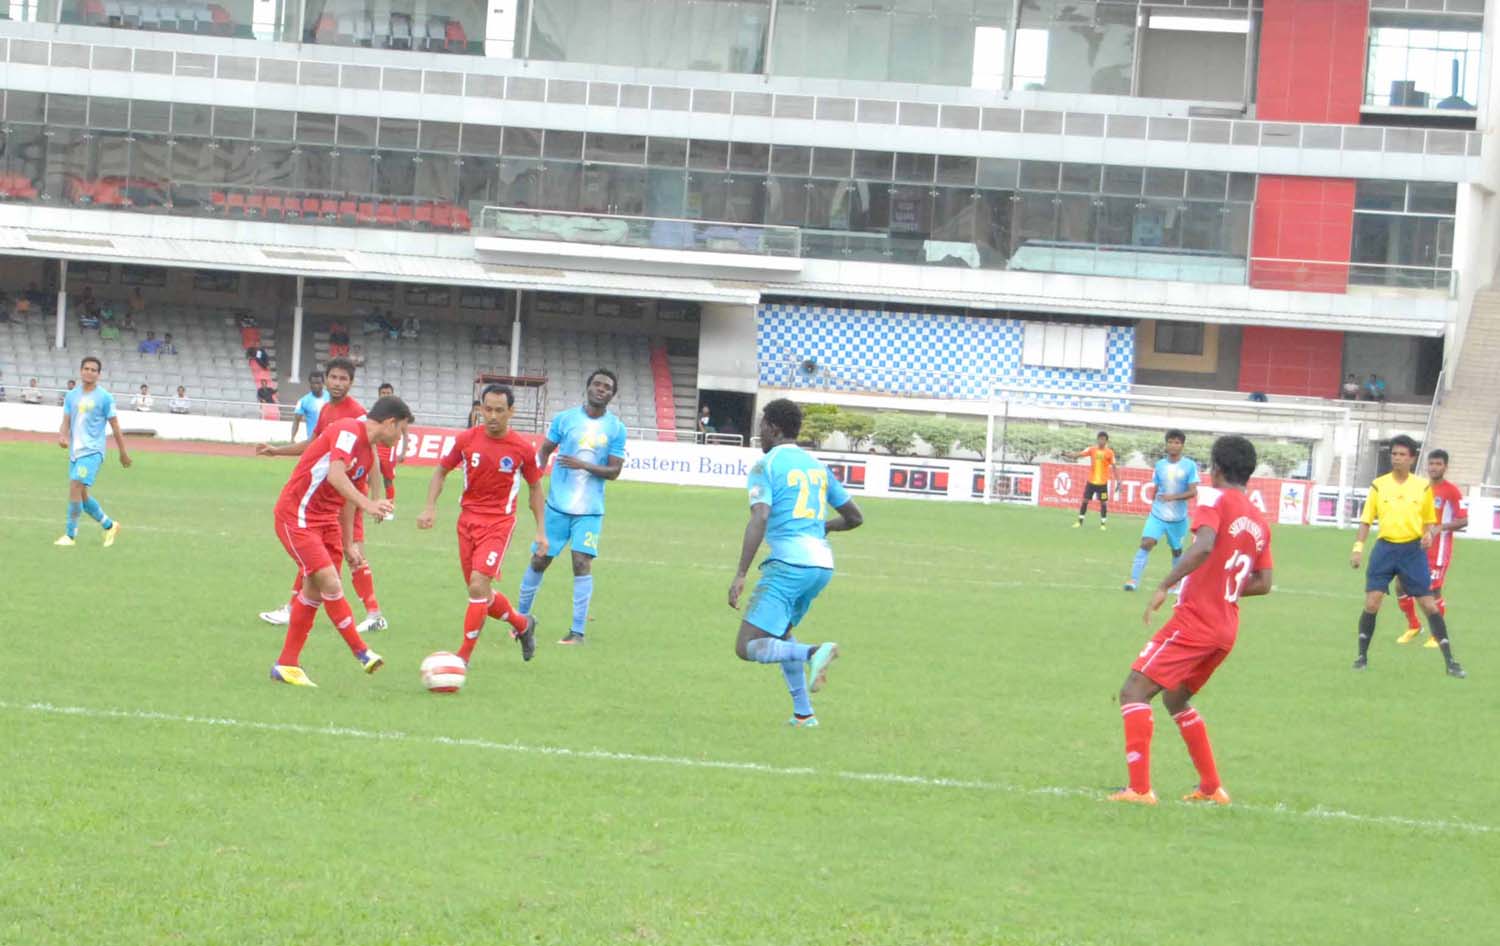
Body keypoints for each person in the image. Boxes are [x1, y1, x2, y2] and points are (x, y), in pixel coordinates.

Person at [1110, 436, 1272, 806]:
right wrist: (1223, 588)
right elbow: (1264, 583)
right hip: (1225, 628)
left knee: (1134, 691)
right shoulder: (1259, 521)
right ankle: (1212, 787)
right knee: (1176, 698)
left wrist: (1165, 584)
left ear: (1216, 468)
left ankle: (1139, 790)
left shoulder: (1214, 498)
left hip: (1196, 621)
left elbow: (1204, 545)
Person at [729, 399, 862, 726]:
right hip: (821, 566)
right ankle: (804, 714)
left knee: (746, 646)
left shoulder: (767, 465)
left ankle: (812, 653)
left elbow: (760, 516)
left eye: (762, 425)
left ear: (774, 428)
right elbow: (854, 517)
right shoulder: (816, 466)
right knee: (782, 632)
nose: (759, 432)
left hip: (789, 565)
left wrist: (741, 573)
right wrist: (824, 527)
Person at [265, 396, 413, 687]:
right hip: (298, 515)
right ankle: (362, 652)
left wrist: (348, 544)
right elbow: (335, 475)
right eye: (402, 430)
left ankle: (287, 664)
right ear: (390, 423)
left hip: (327, 522)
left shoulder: (368, 454)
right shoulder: (348, 430)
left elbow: (346, 500)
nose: (401, 438)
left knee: (314, 591)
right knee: (330, 583)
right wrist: (370, 504)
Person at [417, 384, 545, 666]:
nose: (493, 416)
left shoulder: (522, 449)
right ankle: (523, 624)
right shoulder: (467, 440)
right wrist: (430, 506)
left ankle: (462, 658)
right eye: (488, 409)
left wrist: (540, 531)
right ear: (480, 409)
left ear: (511, 411)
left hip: (499, 523)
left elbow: (535, 488)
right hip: (467, 522)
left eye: (500, 410)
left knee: (477, 585)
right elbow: (441, 471)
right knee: (481, 594)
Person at [257, 357, 387, 633]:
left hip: (348, 494)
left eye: (344, 379)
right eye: (334, 377)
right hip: (325, 496)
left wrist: (375, 497)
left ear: (351, 383)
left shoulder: (358, 414)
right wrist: (277, 451)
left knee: (351, 552)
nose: (338, 383)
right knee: (315, 551)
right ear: (326, 379)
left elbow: (372, 456)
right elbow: (313, 444)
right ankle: (296, 608)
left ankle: (374, 613)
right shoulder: (327, 409)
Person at [517, 369, 628, 645]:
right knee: (539, 560)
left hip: (589, 511)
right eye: (597, 384)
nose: (601, 389)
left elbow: (614, 471)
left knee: (581, 563)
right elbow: (545, 450)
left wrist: (583, 465)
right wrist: (536, 476)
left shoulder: (616, 428)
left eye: (607, 387)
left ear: (612, 395)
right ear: (588, 387)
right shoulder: (565, 419)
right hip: (557, 507)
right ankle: (519, 622)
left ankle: (577, 632)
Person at [1349, 434, 1465, 677]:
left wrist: (1428, 535)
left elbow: (1429, 520)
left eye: (1402, 454)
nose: (1397, 458)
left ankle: (1450, 662)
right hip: (1385, 549)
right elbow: (1366, 520)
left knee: (1429, 604)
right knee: (1372, 602)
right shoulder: (1378, 485)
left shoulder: (1422, 487)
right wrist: (1358, 548)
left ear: (1412, 459)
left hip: (1412, 551)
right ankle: (1361, 657)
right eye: (1394, 454)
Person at [55, 356, 132, 548]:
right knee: (82, 496)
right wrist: (62, 436)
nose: (89, 372)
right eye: (86, 369)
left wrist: (123, 452)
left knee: (75, 486)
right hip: (75, 453)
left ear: (99, 374)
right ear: (81, 371)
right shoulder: (71, 396)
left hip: (92, 452)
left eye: (93, 370)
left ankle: (70, 535)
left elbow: (115, 426)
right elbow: (66, 421)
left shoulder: (105, 397)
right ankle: (110, 525)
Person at [1396, 449, 1468, 648]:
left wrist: (1440, 527)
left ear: (1445, 467)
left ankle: (1437, 635)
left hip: (1439, 551)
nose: (1434, 467)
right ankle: (1414, 625)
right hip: (1416, 547)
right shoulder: (1421, 488)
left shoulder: (1451, 491)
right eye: (1431, 463)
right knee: (1400, 584)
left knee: (1433, 591)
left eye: (1438, 464)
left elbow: (1464, 520)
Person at [1124, 430, 1200, 591]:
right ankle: (1133, 580)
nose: (1173, 445)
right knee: (1147, 542)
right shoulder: (1160, 465)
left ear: (1182, 445)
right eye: (1170, 442)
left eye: (1177, 442)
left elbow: (1193, 492)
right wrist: (1153, 500)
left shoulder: (1189, 466)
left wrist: (1173, 497)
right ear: (1166, 444)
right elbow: (1157, 487)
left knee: (1176, 551)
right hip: (1157, 515)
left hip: (1178, 519)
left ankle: (1177, 583)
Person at [1068, 431, 1119, 529]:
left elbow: (1114, 467)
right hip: (1091, 482)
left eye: (1103, 439)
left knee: (1103, 503)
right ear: (1097, 439)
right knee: (1085, 500)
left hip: (1102, 484)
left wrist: (1119, 481)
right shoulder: (1092, 449)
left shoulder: (1110, 452)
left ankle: (1103, 524)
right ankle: (1079, 522)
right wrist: (1068, 454)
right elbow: (1079, 454)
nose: (1101, 441)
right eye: (1100, 439)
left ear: (1106, 441)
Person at [290, 371, 329, 442]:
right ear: (310, 384)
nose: (315, 386)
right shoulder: (303, 401)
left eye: (318, 383)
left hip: (329, 439)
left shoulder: (331, 398)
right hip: (313, 440)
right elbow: (296, 420)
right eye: (313, 383)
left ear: (323, 383)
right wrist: (292, 438)